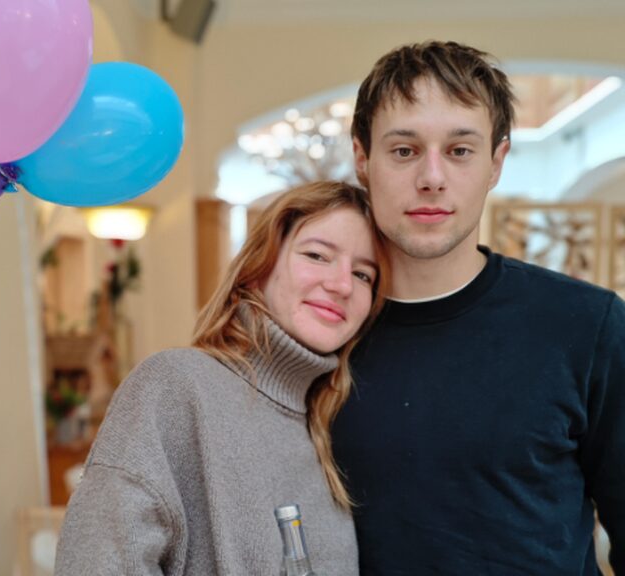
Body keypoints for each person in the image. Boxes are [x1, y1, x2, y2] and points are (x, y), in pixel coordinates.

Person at [332, 40, 625, 575]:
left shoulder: (586, 325)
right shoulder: (322, 332)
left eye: (460, 150)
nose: (432, 177)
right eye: (404, 150)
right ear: (361, 159)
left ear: (496, 162)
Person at [54, 180, 390, 575]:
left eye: (364, 274)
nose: (342, 285)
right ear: (257, 269)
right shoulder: (176, 387)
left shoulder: (327, 427)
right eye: (317, 255)